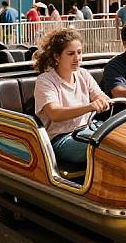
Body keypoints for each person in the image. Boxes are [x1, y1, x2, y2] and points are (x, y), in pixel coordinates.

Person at [34, 28, 110, 164]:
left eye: (79, 53)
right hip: (61, 138)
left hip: (88, 129)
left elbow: (100, 96)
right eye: (71, 54)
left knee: (122, 139)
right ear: (57, 57)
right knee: (106, 149)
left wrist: (102, 101)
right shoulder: (45, 81)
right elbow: (54, 113)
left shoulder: (83, 74)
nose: (77, 58)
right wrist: (89, 107)